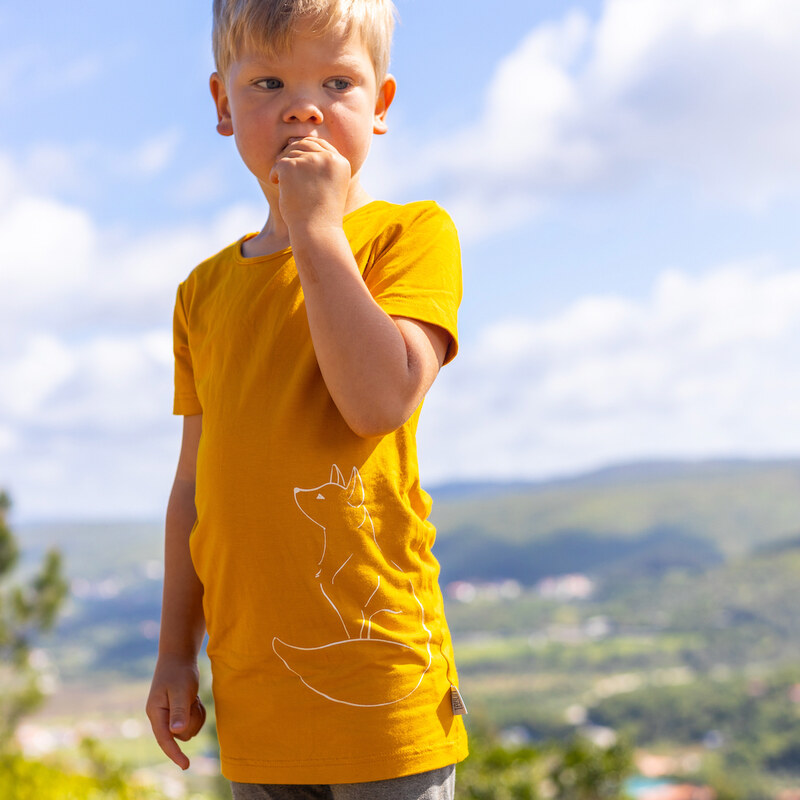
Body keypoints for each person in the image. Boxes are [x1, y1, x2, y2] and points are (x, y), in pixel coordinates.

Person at [145, 1, 468, 797]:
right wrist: (174, 650)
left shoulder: (411, 235)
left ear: (380, 106)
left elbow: (378, 401)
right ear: (223, 104)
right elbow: (193, 489)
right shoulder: (203, 294)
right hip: (257, 696)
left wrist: (317, 228)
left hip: (383, 695)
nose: (303, 106)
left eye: (337, 81)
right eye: (267, 81)